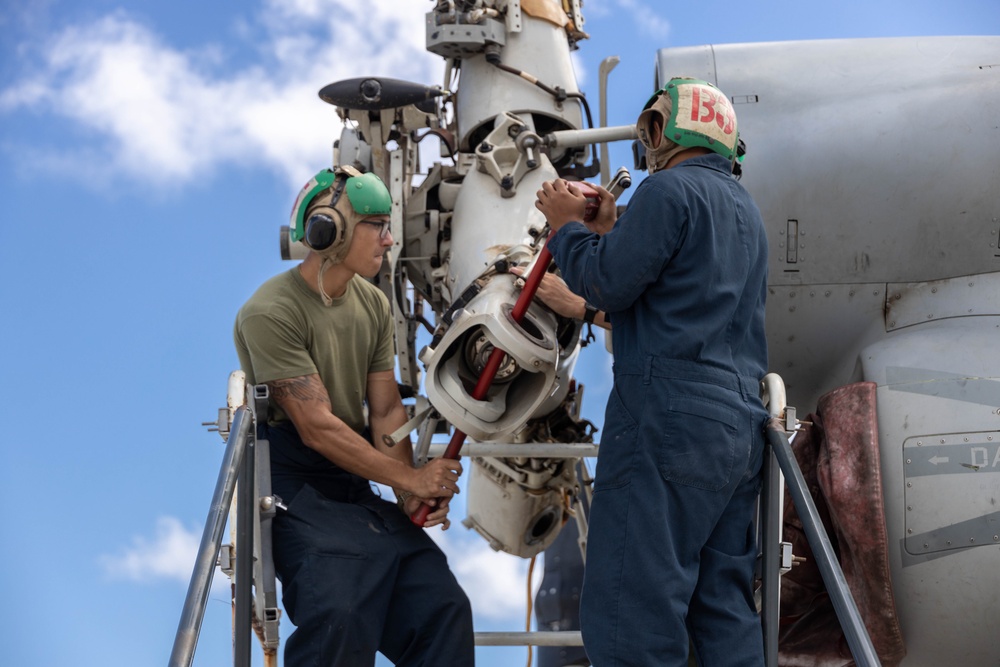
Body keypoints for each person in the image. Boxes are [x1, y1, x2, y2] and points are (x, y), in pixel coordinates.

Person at [534, 77, 769, 666]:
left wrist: (566, 226)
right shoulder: (746, 212)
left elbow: (609, 282)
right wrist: (614, 229)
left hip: (667, 416)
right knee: (723, 608)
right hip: (738, 431)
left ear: (661, 130)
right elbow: (675, 293)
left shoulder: (668, 192)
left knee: (630, 610)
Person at [234, 166, 475, 667]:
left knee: (443, 608)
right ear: (331, 230)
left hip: (354, 482)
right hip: (293, 487)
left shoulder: (372, 304)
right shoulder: (269, 311)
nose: (389, 239)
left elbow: (385, 408)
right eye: (376, 225)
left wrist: (409, 494)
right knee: (340, 611)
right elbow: (316, 427)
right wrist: (409, 476)